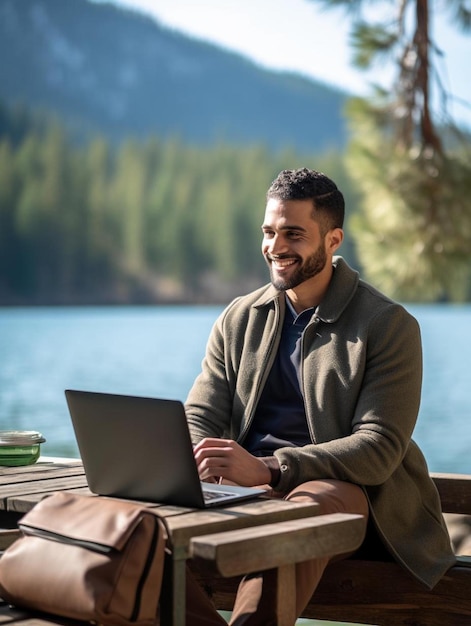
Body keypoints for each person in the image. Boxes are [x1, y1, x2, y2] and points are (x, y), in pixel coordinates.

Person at [183, 167, 455, 625]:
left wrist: (269, 468)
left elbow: (378, 448)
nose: (275, 247)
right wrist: (202, 463)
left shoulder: (387, 325)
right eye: (269, 232)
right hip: (247, 493)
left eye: (293, 233)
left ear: (333, 240)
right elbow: (200, 414)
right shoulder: (239, 317)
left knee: (298, 518)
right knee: (132, 529)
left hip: (349, 498)